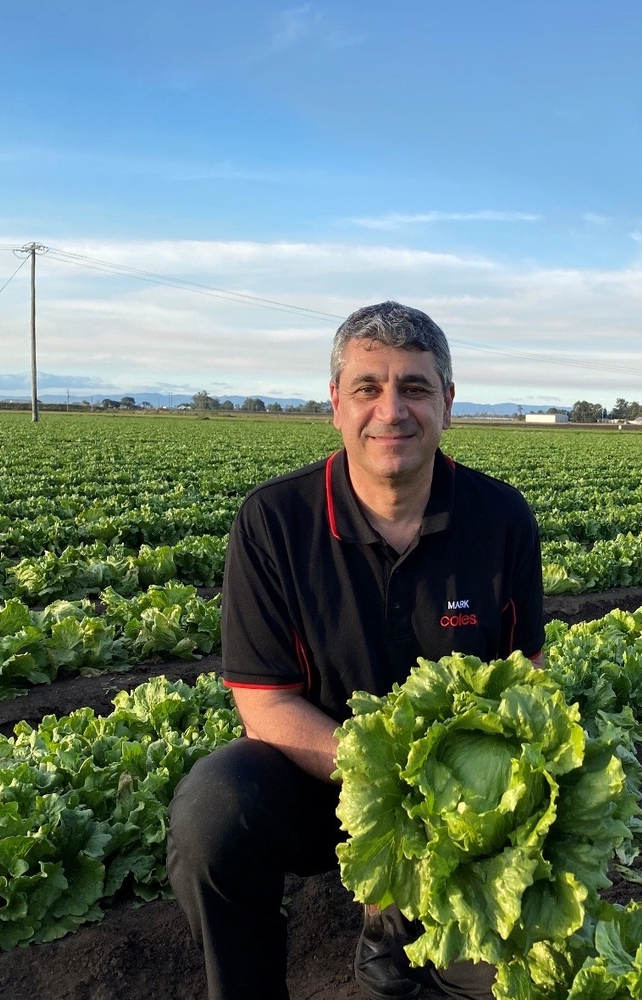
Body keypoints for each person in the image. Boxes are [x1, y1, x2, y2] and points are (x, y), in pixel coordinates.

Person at [167, 302, 545, 1000]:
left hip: (457, 810)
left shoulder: (501, 519)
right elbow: (266, 705)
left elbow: (526, 685)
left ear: (449, 404)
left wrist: (447, 828)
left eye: (416, 387)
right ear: (335, 403)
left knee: (495, 981)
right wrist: (388, 814)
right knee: (214, 810)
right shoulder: (275, 521)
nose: (392, 410)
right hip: (322, 788)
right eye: (368, 387)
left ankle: (403, 940)